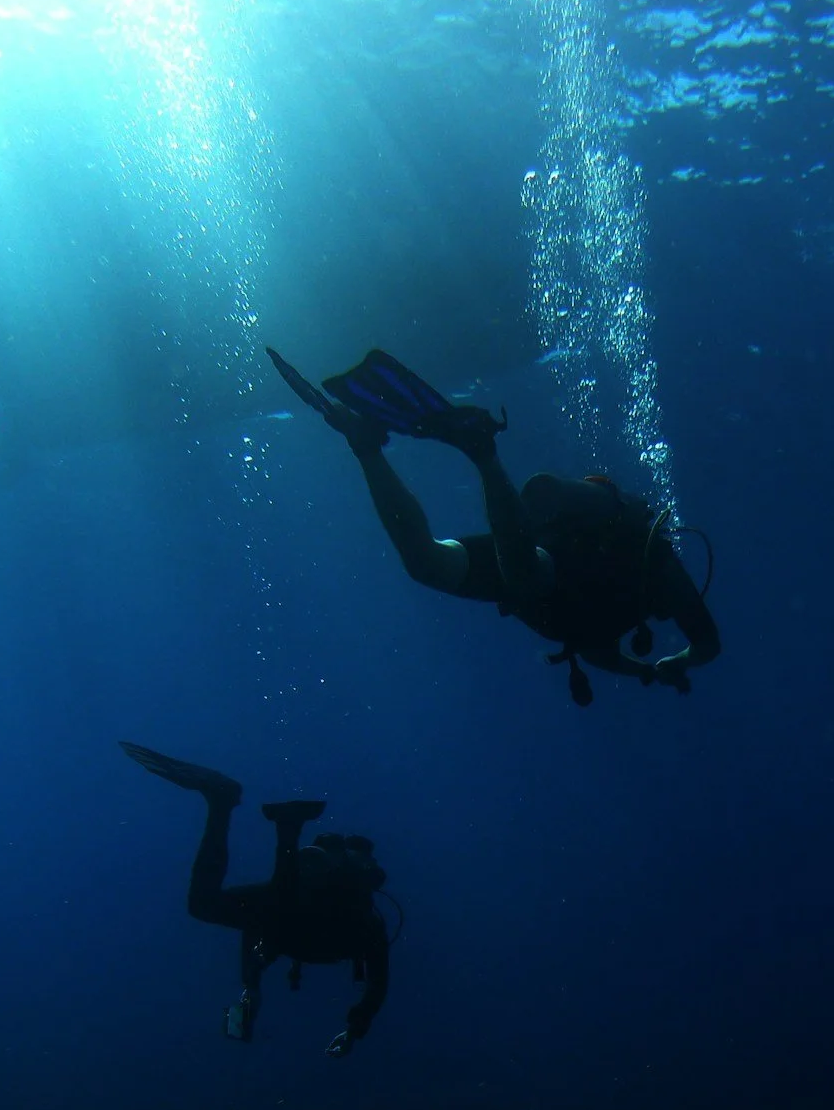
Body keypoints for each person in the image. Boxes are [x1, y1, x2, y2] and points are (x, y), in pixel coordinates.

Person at [265, 347, 720, 706]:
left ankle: (366, 447)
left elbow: (597, 650)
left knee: (426, 564)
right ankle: (482, 451)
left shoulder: (603, 627)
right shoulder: (662, 573)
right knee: (525, 577)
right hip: (549, 561)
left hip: (530, 556)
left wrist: (652, 670)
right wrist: (675, 663)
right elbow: (707, 646)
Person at [122, 743, 391, 1057]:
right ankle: (258, 817)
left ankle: (237, 809)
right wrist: (354, 1031)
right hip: (290, 909)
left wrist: (251, 984)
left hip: (283, 905)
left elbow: (259, 925)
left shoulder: (360, 925)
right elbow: (377, 984)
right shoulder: (365, 927)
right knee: (247, 903)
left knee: (209, 904)